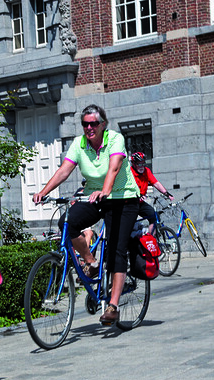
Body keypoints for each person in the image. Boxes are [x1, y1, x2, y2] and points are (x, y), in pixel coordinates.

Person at [32, 104, 140, 326]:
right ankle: (90, 262)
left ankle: (113, 306)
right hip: (94, 196)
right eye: (85, 124)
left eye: (93, 123)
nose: (89, 127)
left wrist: (106, 190)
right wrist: (43, 192)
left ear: (103, 124)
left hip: (123, 198)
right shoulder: (79, 144)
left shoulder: (115, 139)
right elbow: (64, 170)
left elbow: (114, 168)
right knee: (67, 222)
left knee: (116, 250)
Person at [129, 152, 174, 235]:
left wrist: (167, 194)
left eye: (143, 164)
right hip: (130, 203)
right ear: (133, 164)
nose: (142, 167)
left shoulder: (147, 171)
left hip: (141, 203)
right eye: (139, 164)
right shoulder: (129, 173)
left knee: (153, 216)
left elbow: (155, 183)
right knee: (129, 224)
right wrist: (136, 196)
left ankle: (151, 241)